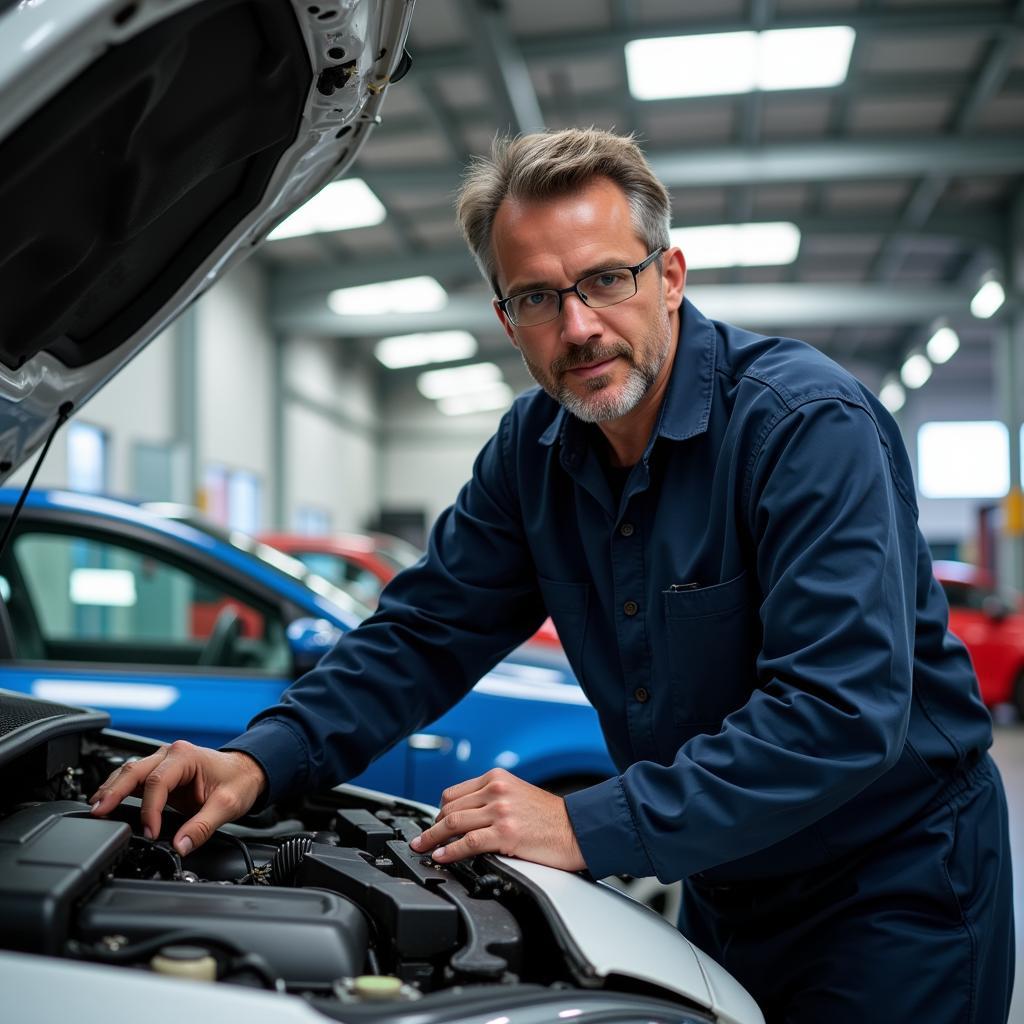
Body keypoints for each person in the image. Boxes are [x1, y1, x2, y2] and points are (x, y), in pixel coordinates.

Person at [90, 129, 1013, 1022]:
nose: (578, 327)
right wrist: (260, 757)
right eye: (536, 298)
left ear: (671, 278)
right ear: (506, 320)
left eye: (606, 280)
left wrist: (583, 827)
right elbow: (421, 633)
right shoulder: (533, 453)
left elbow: (838, 712)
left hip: (894, 887)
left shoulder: (804, 428)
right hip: (729, 881)